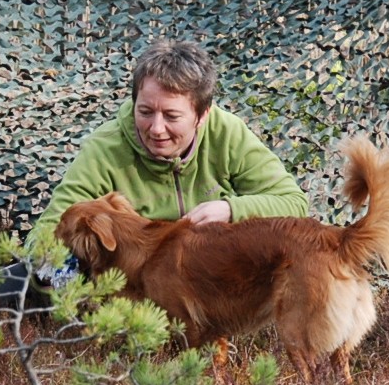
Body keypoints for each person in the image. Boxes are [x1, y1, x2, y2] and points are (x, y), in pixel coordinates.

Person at [17, 39, 309, 289]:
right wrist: (64, 279)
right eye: (145, 111)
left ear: (202, 114)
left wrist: (231, 209)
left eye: (171, 116)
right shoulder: (105, 149)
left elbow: (294, 203)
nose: (156, 128)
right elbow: (49, 232)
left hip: (216, 284)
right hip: (136, 292)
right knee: (17, 280)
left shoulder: (228, 134)